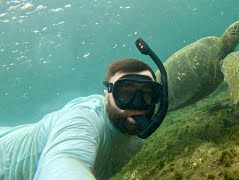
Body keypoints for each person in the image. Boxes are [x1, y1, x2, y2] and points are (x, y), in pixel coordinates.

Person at [0, 54, 168, 179]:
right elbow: (64, 161)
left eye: (147, 93)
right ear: (106, 95)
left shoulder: (136, 140)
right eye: (125, 93)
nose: (137, 104)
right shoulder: (83, 118)